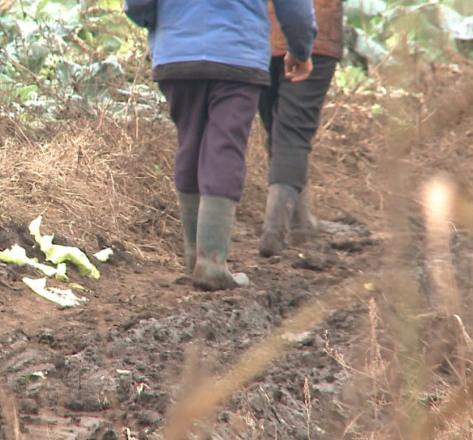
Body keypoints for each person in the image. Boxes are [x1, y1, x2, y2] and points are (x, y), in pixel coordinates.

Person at [124, 1, 317, 291]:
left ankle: (194, 257)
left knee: (189, 142)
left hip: (177, 54)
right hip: (237, 54)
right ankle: (211, 261)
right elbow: (295, 8)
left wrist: (157, 25)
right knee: (224, 147)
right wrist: (301, 49)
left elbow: (137, 3)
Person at [258, 0, 344, 257]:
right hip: (315, 32)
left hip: (258, 35)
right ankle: (275, 228)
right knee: (292, 131)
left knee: (276, 128)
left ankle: (301, 221)